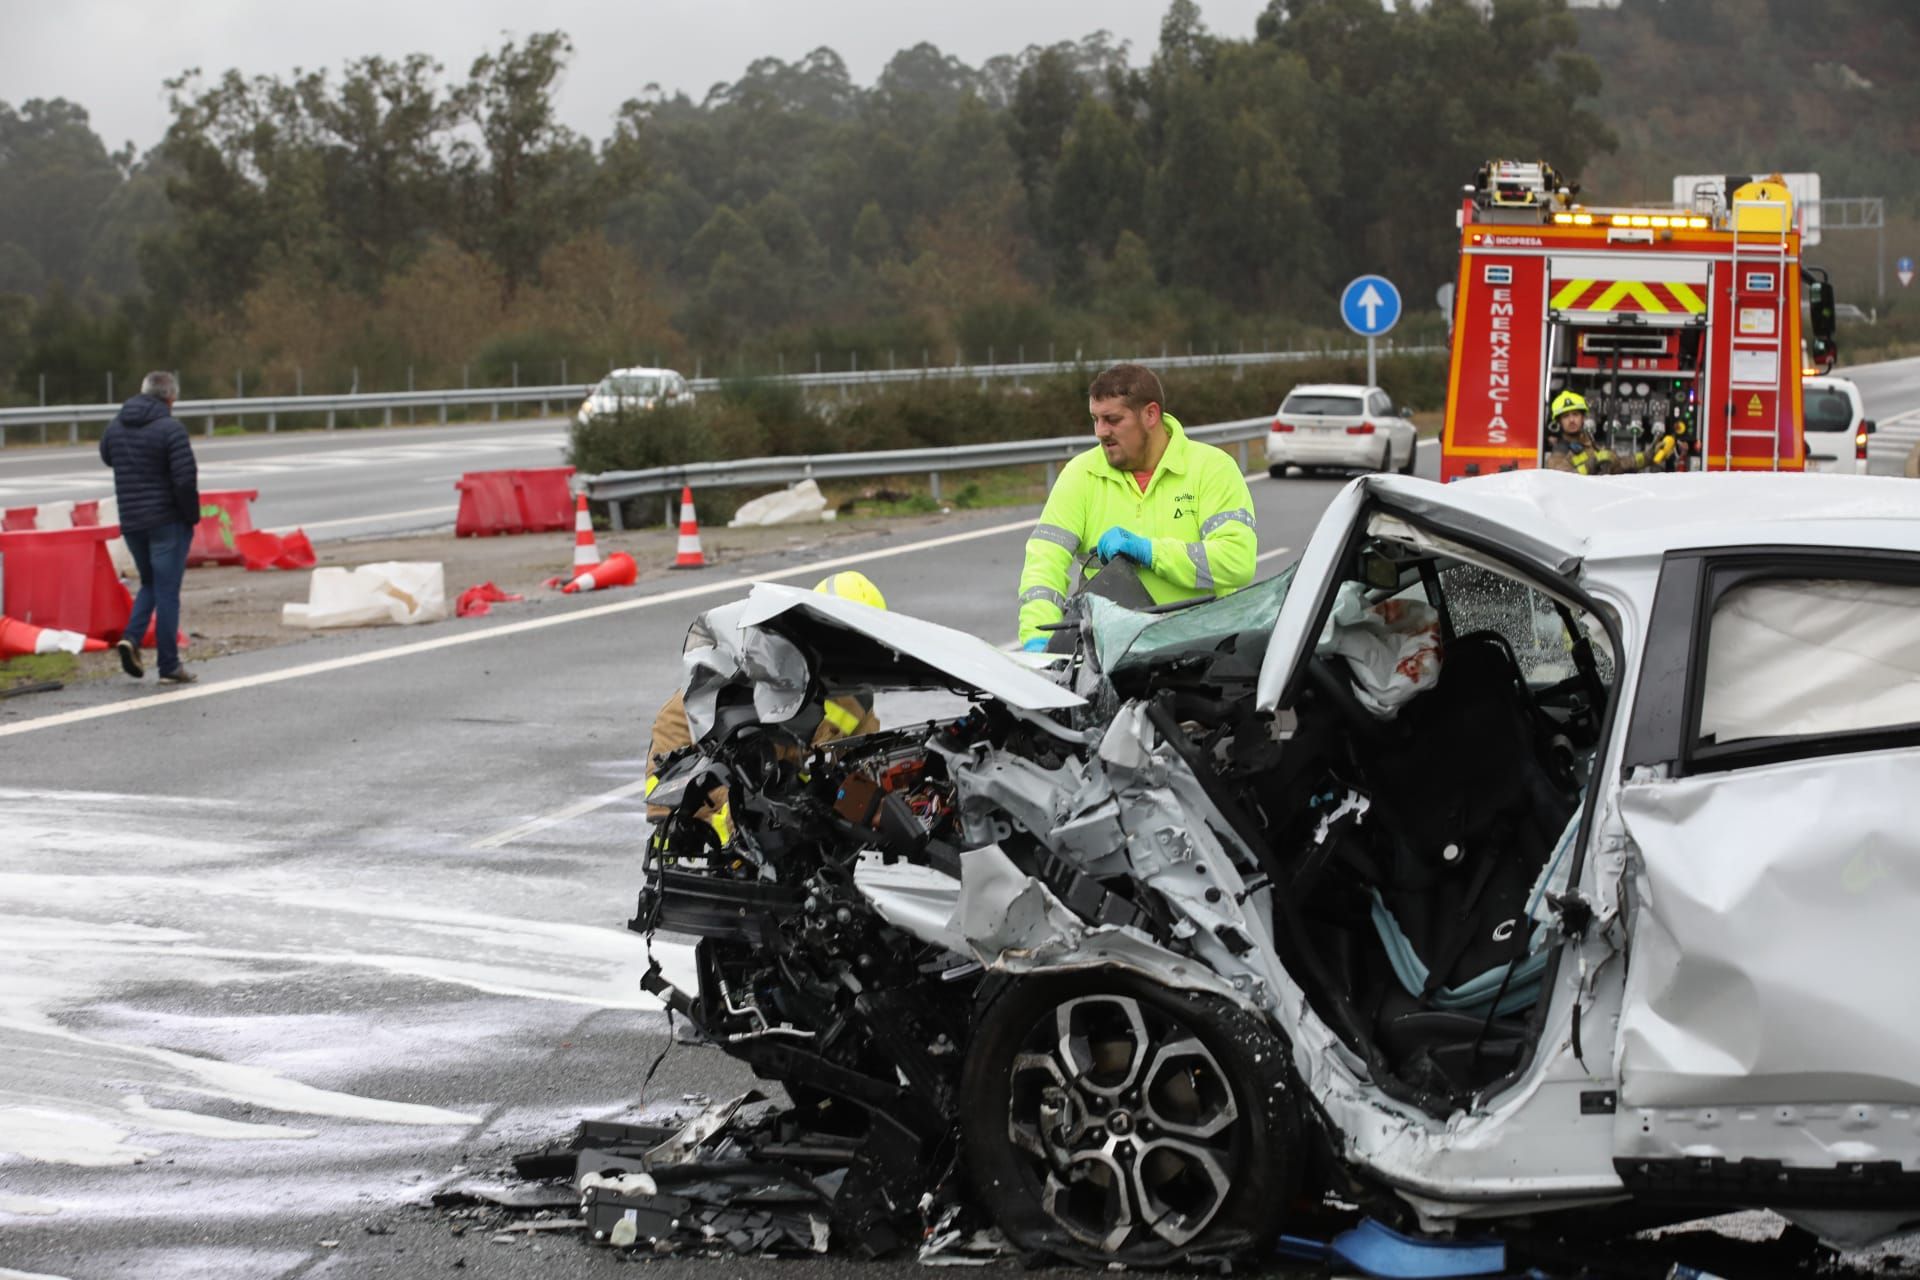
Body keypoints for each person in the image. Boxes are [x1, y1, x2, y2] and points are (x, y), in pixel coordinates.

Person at [1017, 363, 1256, 650]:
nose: (1100, 431)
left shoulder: (1212, 469)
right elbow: (1044, 561)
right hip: (1108, 657)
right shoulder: (1080, 474)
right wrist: (1037, 636)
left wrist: (1150, 552)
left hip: (1202, 655)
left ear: (1151, 414)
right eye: (1095, 419)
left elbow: (1237, 561)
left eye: (1113, 419)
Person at [646, 571, 888, 842]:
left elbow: (865, 764)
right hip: (705, 854)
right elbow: (664, 785)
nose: (845, 656)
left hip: (798, 843)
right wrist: (743, 820)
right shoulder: (739, 675)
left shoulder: (855, 698)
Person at [99, 371, 200, 684]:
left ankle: (131, 638)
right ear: (170, 398)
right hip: (166, 522)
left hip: (132, 522)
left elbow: (107, 456)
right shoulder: (171, 429)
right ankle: (169, 665)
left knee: (150, 583)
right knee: (167, 590)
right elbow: (185, 479)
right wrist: (191, 516)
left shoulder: (116, 426)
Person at [1542, 390, 1644, 476]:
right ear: (1559, 421)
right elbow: (1564, 478)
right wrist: (1593, 463)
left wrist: (1648, 456)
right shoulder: (1559, 453)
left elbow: (1620, 465)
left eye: (1575, 414)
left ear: (1583, 418)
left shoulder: (1590, 444)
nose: (1571, 420)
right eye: (1566, 416)